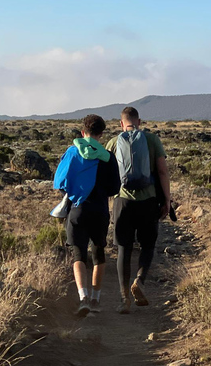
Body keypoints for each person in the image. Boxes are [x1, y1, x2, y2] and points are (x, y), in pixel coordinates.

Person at [53, 114, 120, 317]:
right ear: (101, 134)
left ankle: (83, 298)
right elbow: (115, 187)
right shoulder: (108, 157)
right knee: (98, 253)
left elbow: (59, 182)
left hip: (77, 210)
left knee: (78, 255)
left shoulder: (72, 153)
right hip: (99, 210)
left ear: (83, 132)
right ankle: (95, 300)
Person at [105, 107, 170, 314]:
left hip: (122, 202)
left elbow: (108, 175)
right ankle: (140, 281)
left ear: (121, 124)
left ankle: (124, 298)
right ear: (139, 122)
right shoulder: (152, 140)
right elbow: (162, 171)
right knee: (148, 245)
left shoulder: (114, 142)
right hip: (148, 201)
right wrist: (167, 200)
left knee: (123, 248)